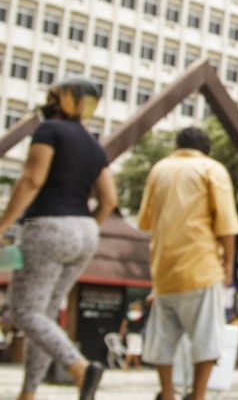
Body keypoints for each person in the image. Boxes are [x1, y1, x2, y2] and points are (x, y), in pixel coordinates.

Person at [0, 78, 118, 400]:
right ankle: (29, 392)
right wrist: (83, 226)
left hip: (46, 225)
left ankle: (79, 368)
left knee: (25, 312)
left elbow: (32, 179)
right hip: (85, 231)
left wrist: (2, 225)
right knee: (45, 315)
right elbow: (108, 200)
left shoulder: (49, 130)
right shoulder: (95, 146)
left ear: (64, 99)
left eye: (53, 95)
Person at [137, 127, 238, 400]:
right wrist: (229, 266)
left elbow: (145, 221)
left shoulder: (158, 170)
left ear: (177, 145)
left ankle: (168, 394)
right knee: (207, 340)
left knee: (162, 340)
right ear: (206, 148)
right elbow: (227, 224)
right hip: (201, 267)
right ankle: (197, 395)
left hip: (163, 272)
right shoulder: (212, 169)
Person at [119, 299, 145, 370]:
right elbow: (124, 323)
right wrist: (121, 333)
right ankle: (125, 366)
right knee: (131, 350)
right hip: (132, 334)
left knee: (136, 350)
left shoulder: (141, 314)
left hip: (137, 334)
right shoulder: (132, 314)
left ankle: (138, 366)